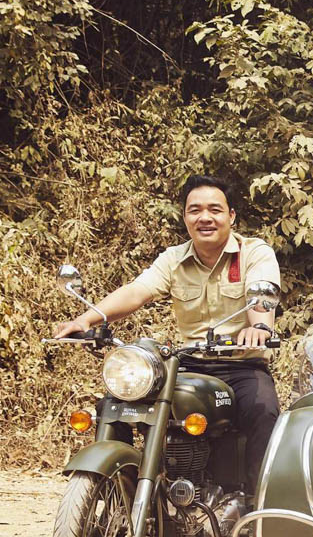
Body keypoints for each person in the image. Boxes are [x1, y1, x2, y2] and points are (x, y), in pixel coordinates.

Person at [51, 174, 281, 487]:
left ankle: (258, 509)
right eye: (194, 210)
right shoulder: (173, 259)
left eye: (215, 209)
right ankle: (122, 493)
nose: (205, 218)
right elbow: (137, 291)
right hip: (187, 364)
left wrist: (258, 327)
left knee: (263, 411)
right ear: (185, 217)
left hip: (240, 364)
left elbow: (261, 295)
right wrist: (88, 319)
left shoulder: (254, 253)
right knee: (114, 404)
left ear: (231, 216)